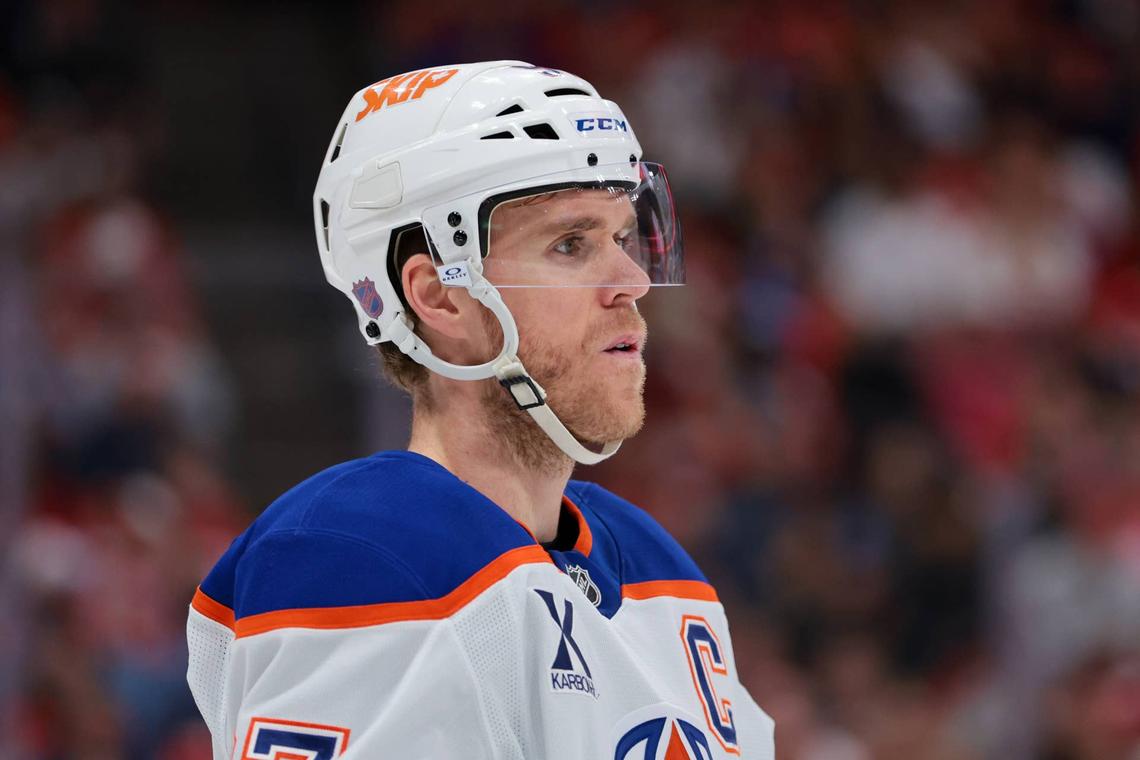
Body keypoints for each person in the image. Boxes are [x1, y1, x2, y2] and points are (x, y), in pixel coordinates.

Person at [186, 61, 775, 759]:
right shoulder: (359, 553)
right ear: (440, 298)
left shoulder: (659, 570)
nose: (632, 280)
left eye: (620, 238)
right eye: (570, 244)